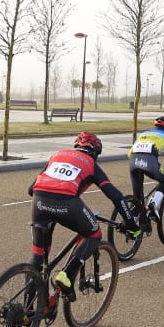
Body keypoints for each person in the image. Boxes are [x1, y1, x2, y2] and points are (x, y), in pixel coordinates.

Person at [30, 132, 138, 307]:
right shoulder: (91, 165)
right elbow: (116, 196)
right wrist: (131, 223)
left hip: (39, 200)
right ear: (95, 152)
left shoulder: (57, 155)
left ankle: (26, 311)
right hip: (66, 202)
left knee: (38, 256)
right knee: (94, 234)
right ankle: (67, 275)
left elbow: (31, 188)